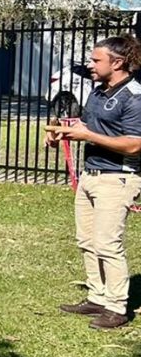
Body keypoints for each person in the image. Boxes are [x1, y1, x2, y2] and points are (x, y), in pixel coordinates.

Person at [45, 36, 141, 329]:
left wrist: (89, 137)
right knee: (87, 240)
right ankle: (97, 296)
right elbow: (88, 126)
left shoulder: (134, 97)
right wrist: (62, 131)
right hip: (91, 175)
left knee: (107, 244)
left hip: (118, 178)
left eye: (96, 60)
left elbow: (135, 145)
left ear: (118, 62)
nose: (90, 64)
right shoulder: (98, 92)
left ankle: (116, 306)